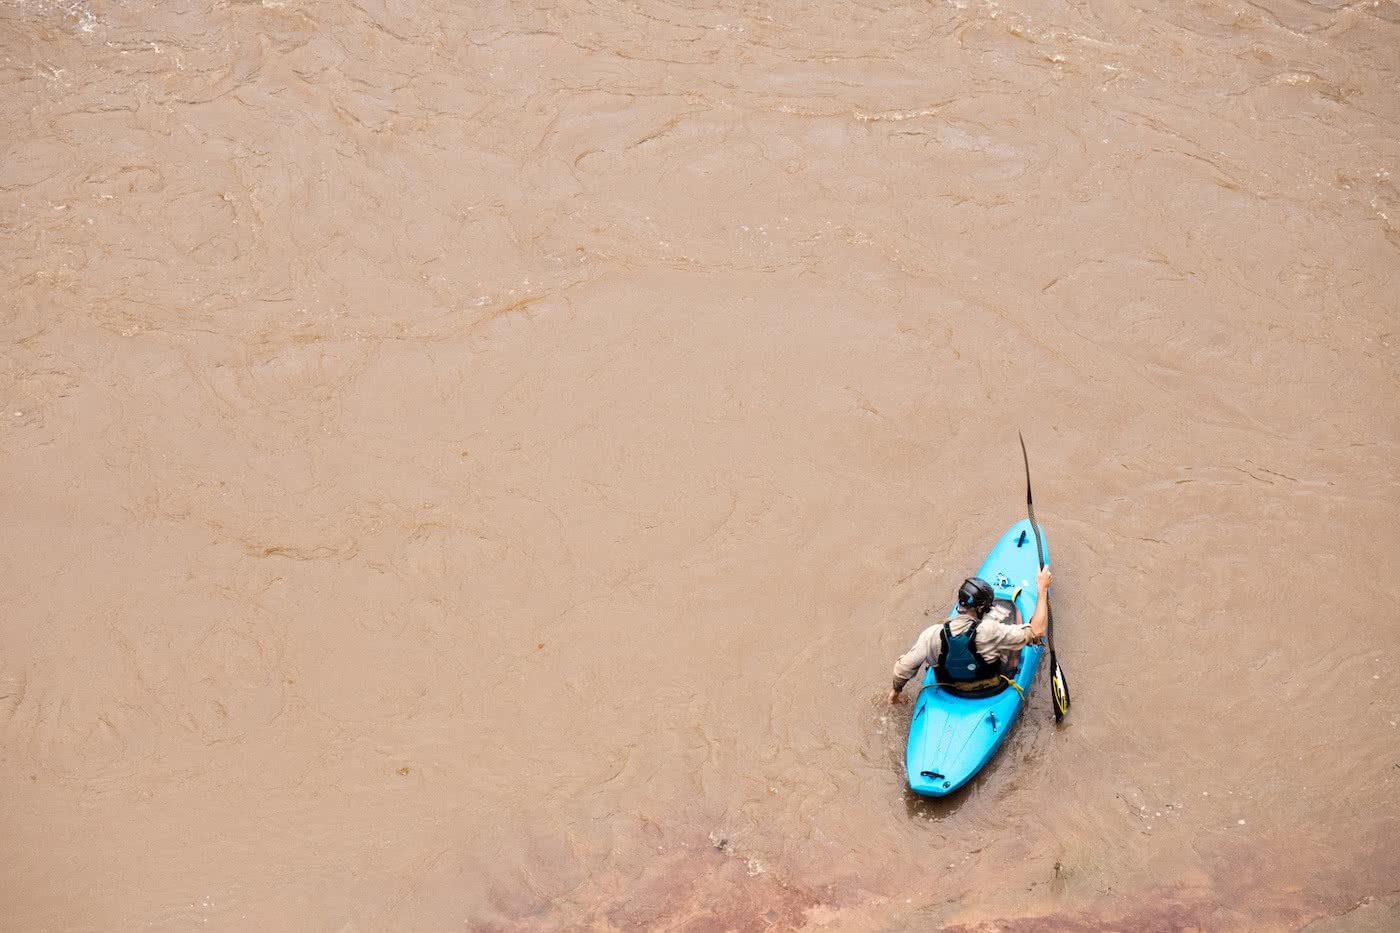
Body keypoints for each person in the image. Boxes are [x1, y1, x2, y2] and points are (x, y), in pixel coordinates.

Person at [887, 567, 1052, 704]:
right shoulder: (990, 631)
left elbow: (903, 669)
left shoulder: (931, 634)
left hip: (950, 687)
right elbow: (1037, 632)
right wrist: (1042, 589)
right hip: (989, 688)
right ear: (981, 609)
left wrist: (896, 692)